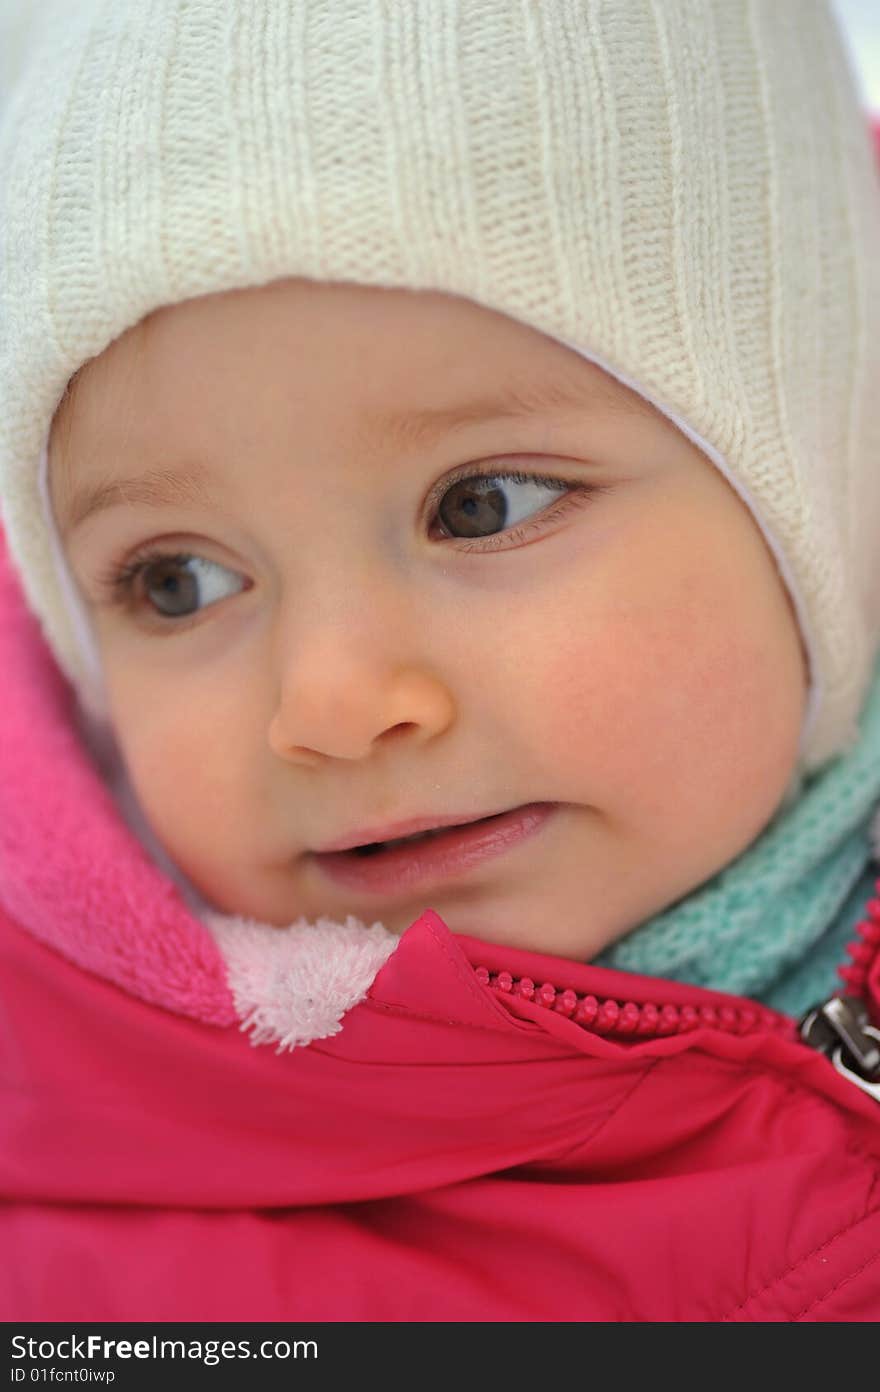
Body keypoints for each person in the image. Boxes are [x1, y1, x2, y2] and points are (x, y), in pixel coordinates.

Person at [1, 0, 879, 1322]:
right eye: (177, 583)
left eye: (482, 505)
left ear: (827, 490)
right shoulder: (97, 1266)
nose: (335, 707)